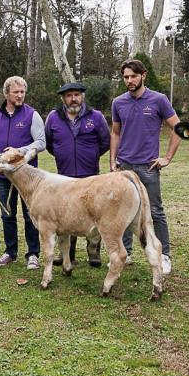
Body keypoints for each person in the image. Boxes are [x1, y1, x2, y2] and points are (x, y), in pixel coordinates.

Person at [109, 59, 181, 276]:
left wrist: (167, 157)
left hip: (148, 168)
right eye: (126, 77)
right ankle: (125, 253)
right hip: (124, 167)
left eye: (133, 76)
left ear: (143, 75)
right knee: (122, 213)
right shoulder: (118, 103)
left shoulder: (158, 100)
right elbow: (115, 133)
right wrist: (113, 161)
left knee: (155, 212)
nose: (129, 81)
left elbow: (177, 128)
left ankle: (164, 255)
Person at [0, 76, 46, 270]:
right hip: (2, 176)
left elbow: (41, 142)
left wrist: (19, 151)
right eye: (15, 92)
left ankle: (33, 254)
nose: (20, 96)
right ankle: (10, 252)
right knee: (7, 215)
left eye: (22, 92)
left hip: (27, 177)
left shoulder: (31, 114)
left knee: (30, 215)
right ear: (6, 94)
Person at [44, 82, 110, 267]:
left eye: (77, 95)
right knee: (66, 214)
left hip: (90, 175)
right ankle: (67, 254)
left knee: (94, 213)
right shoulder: (53, 117)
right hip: (64, 177)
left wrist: (92, 155)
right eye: (69, 95)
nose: (73, 99)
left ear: (82, 97)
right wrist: (61, 154)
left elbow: (105, 142)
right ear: (63, 98)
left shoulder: (96, 117)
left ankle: (93, 251)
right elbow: (49, 143)